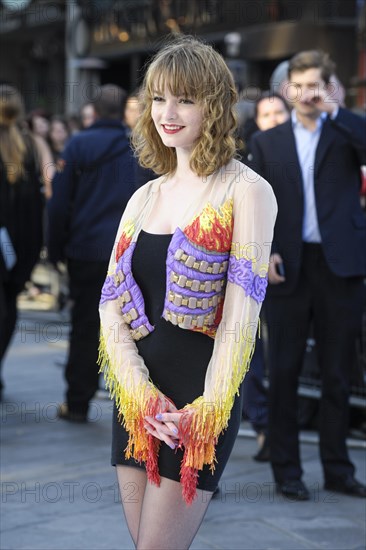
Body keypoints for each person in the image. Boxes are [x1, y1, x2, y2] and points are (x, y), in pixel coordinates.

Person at [98, 36, 277, 549]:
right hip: (138, 402)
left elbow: (243, 316)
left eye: (185, 99)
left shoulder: (246, 190)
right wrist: (140, 396)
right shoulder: (144, 195)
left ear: (214, 105)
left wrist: (207, 409)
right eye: (158, 98)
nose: (167, 113)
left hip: (198, 404)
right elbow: (110, 306)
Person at [250, 50, 366, 500]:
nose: (304, 94)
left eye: (313, 85)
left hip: (341, 267)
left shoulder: (344, 130)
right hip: (288, 268)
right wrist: (268, 252)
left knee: (339, 373)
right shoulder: (268, 142)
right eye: (297, 86)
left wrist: (337, 109)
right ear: (286, 89)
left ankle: (338, 468)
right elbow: (258, 205)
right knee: (284, 371)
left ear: (327, 85)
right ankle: (287, 472)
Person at [47, 84, 138, 423]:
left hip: (85, 251)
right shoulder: (137, 145)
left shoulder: (79, 144)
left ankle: (77, 402)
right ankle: (129, 408)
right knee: (128, 329)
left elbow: (58, 204)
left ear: (95, 112)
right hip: (128, 251)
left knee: (85, 326)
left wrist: (55, 250)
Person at [242, 91, 291, 462]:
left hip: (299, 270)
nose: (273, 118)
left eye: (279, 112)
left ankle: (272, 427)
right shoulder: (251, 162)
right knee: (250, 350)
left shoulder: (307, 154)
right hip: (254, 265)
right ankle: (262, 424)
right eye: (266, 113)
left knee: (284, 355)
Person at [0, 85, 44, 398]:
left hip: (9, 245)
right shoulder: (30, 145)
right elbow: (35, 205)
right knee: (8, 311)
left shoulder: (27, 146)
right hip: (17, 248)